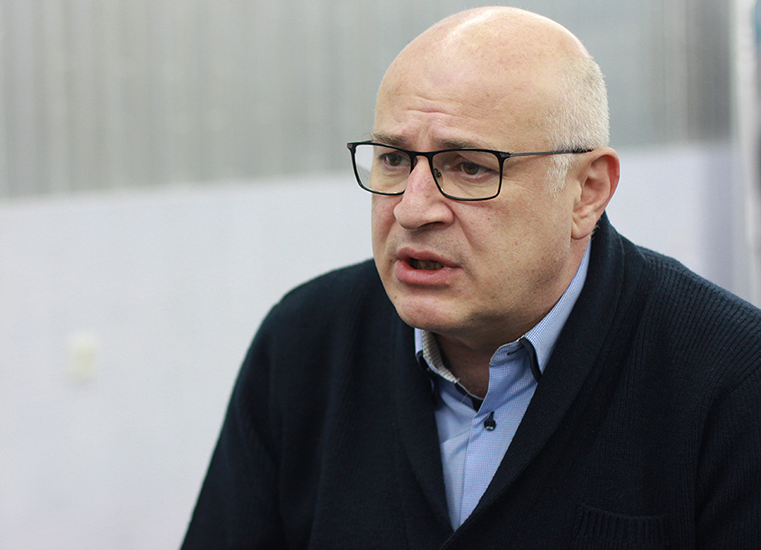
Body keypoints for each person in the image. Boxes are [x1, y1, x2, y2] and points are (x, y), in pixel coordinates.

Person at [182, 6, 761, 549]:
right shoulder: (305, 344)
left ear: (587, 192)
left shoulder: (733, 381)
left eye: (470, 167)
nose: (412, 209)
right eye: (394, 159)